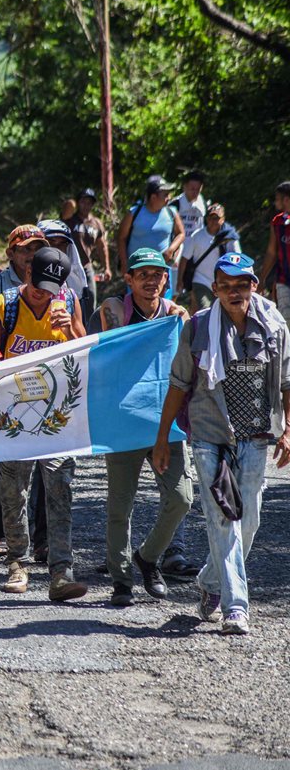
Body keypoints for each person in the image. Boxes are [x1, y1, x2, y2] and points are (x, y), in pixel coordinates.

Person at [153, 253, 290, 635]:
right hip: (209, 435)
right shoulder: (197, 328)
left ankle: (211, 581)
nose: (234, 293)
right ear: (214, 289)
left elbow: (287, 382)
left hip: (256, 434)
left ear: (253, 287)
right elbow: (179, 384)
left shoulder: (275, 327)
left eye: (241, 285)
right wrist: (162, 438)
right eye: (226, 286)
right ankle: (236, 607)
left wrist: (288, 430)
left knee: (250, 520)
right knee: (222, 519)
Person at [0, 248, 87, 601]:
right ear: (27, 273)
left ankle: (61, 571)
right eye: (39, 285)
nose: (45, 294)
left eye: (52, 288)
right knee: (14, 489)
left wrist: (70, 330)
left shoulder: (68, 301)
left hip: (58, 418)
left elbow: (85, 352)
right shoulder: (3, 306)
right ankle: (17, 563)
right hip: (15, 416)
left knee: (60, 487)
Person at [96, 249, 193, 607]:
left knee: (182, 498)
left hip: (166, 425)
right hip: (123, 423)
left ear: (166, 280)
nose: (151, 281)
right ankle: (121, 580)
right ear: (130, 279)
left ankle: (148, 557)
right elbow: (108, 348)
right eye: (143, 274)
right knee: (120, 506)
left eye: (158, 274)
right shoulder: (114, 310)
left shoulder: (175, 316)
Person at [117, 175, 185, 292]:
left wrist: (171, 249)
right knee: (136, 304)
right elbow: (121, 237)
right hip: (137, 269)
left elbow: (181, 233)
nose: (169, 198)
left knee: (163, 306)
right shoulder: (134, 213)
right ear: (153, 197)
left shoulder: (171, 212)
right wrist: (124, 262)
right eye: (165, 195)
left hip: (161, 269)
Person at [179, 204, 241, 313]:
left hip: (222, 282)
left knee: (222, 312)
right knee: (206, 310)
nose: (213, 221)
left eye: (216, 218)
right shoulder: (197, 236)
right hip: (200, 280)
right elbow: (184, 258)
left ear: (223, 219)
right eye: (210, 218)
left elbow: (238, 259)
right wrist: (180, 280)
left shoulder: (229, 238)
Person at [63, 188, 110, 312]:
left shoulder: (96, 223)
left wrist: (107, 268)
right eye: (83, 201)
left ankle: (89, 328)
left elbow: (102, 246)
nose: (86, 205)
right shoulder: (70, 220)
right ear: (78, 203)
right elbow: (67, 207)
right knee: (70, 298)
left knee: (91, 297)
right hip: (69, 265)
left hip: (86, 265)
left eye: (89, 202)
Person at [258, 181, 290, 320]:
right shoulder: (277, 222)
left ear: (286, 200)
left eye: (277, 199)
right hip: (283, 280)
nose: (275, 203)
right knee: (286, 318)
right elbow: (272, 252)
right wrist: (262, 278)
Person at [172, 170, 209, 245]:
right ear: (185, 187)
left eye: (198, 189)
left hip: (196, 249)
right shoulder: (175, 205)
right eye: (192, 189)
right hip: (179, 248)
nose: (195, 192)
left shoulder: (203, 205)